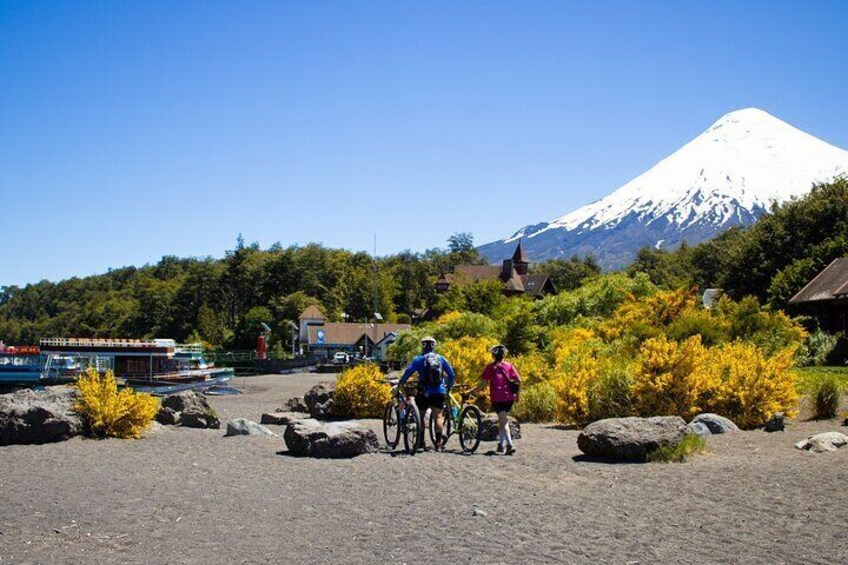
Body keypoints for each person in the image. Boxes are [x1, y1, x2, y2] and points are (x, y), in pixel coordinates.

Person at [393, 336, 456, 451]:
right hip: (439, 391)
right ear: (434, 345)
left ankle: (421, 441)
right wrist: (448, 387)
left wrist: (401, 383)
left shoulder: (418, 359)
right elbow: (451, 375)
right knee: (438, 416)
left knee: (420, 416)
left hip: (424, 392)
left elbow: (408, 372)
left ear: (422, 346)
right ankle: (438, 443)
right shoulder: (440, 358)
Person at [469, 344, 520, 455]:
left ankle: (510, 444)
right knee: (502, 420)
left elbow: (483, 384)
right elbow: (518, 380)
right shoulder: (509, 365)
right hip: (509, 398)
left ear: (493, 355)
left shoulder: (490, 367)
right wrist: (518, 395)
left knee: (504, 421)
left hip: (497, 398)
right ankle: (500, 444)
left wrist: (471, 392)